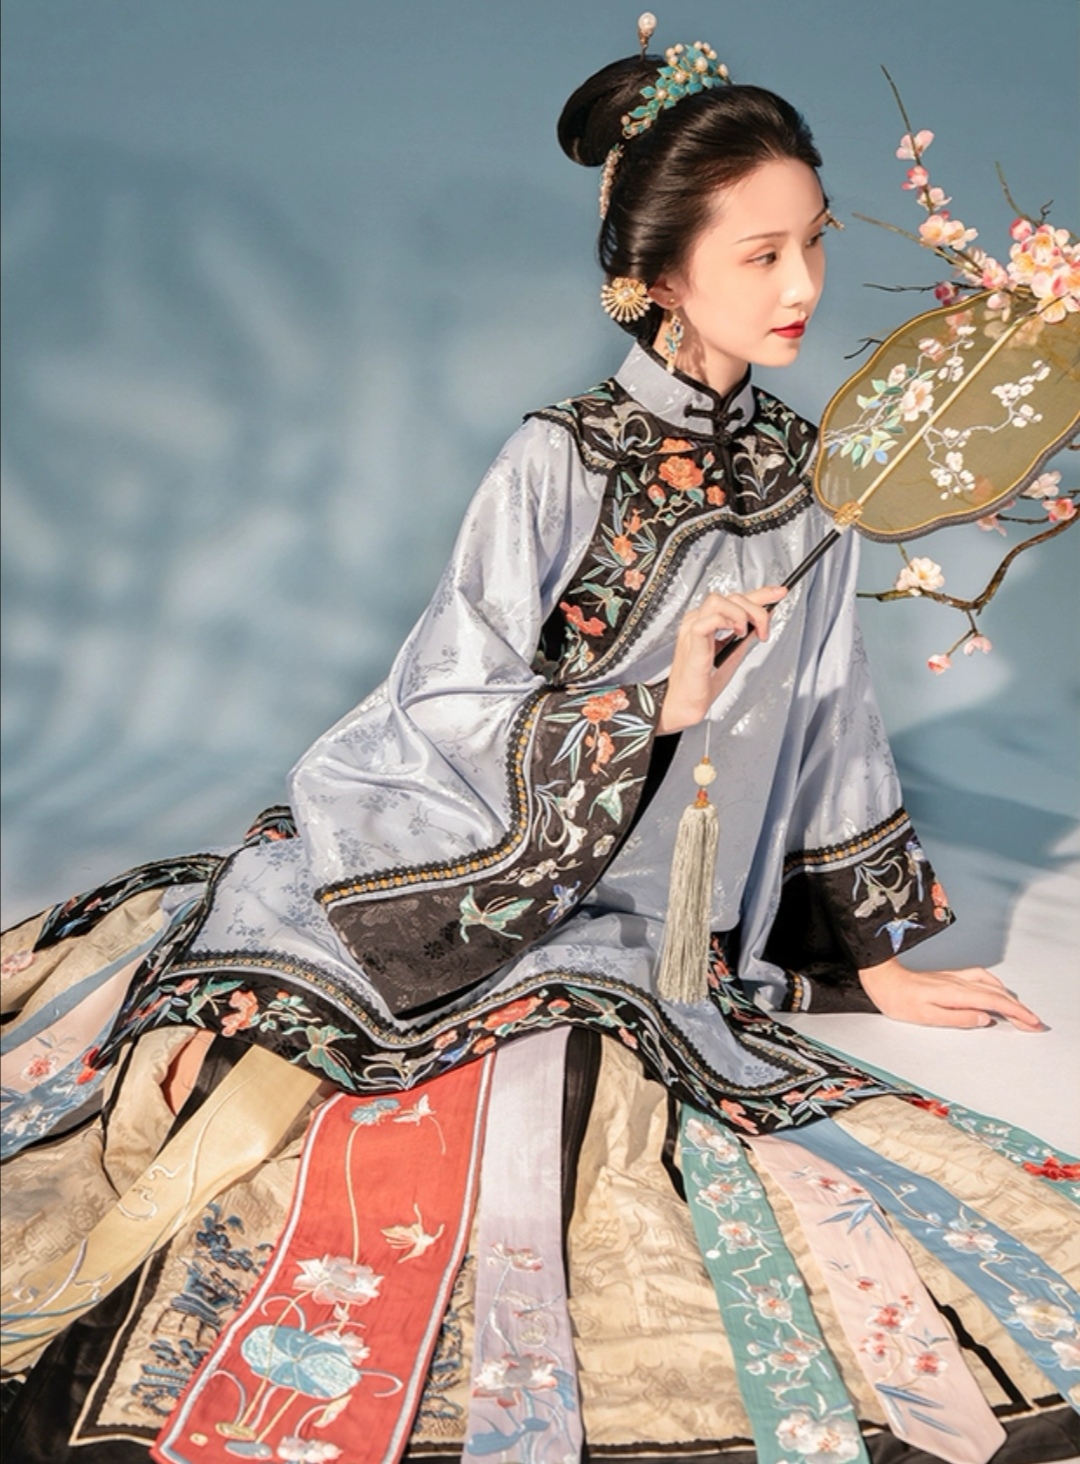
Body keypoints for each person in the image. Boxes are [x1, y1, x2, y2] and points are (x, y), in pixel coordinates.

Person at [2, 25, 1076, 1464]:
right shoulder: (555, 458)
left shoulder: (814, 474)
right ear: (659, 274)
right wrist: (645, 709)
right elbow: (442, 697)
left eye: (814, 242)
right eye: (761, 254)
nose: (804, 287)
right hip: (494, 877)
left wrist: (873, 954)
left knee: (596, 1084)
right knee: (477, 1093)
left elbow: (834, 712)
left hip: (664, 911)